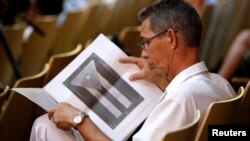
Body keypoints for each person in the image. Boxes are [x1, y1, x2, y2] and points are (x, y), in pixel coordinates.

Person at [30, 0, 236, 140]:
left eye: (146, 42)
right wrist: (162, 82)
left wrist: (79, 119)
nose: (144, 53)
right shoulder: (221, 85)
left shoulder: (181, 99)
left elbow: (183, 101)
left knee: (45, 126)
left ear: (171, 38)